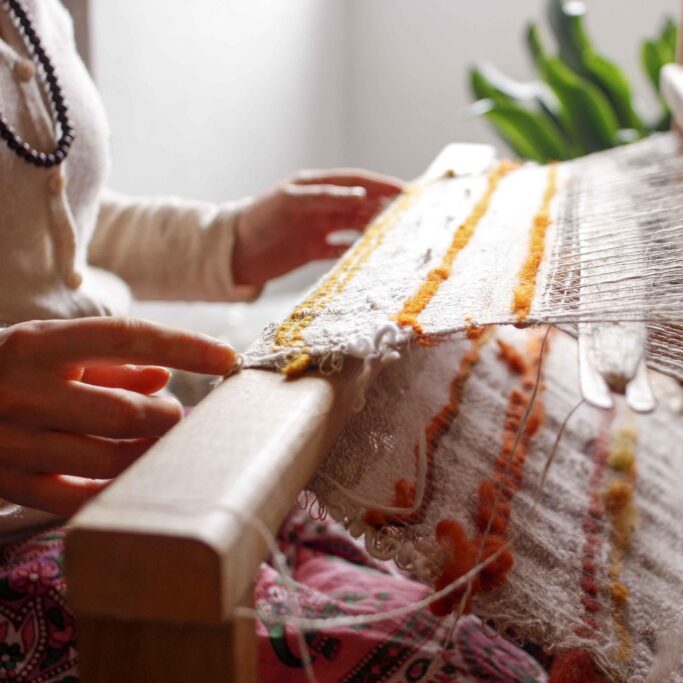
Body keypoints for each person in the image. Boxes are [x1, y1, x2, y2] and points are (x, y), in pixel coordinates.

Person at [0, 1, 546, 681]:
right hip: (48, 534)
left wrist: (229, 241)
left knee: (494, 612)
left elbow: (54, 222)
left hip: (140, 467)